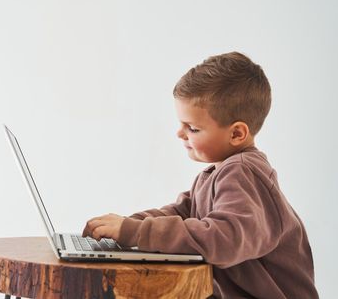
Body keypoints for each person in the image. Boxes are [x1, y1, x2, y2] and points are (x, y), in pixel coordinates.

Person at [82, 52, 318, 298]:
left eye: (192, 128)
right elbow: (181, 212)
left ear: (237, 134)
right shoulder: (217, 173)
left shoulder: (242, 171)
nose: (180, 134)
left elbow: (223, 239)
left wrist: (133, 231)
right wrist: (125, 225)